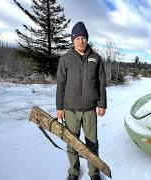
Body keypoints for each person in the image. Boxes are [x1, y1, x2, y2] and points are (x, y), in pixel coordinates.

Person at [56, 22, 106, 180]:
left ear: (87, 39)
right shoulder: (65, 59)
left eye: (83, 37)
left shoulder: (96, 58)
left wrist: (102, 104)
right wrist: (59, 107)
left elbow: (101, 83)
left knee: (92, 143)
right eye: (77, 38)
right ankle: (74, 171)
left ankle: (94, 172)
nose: (80, 41)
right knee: (72, 142)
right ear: (72, 40)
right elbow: (60, 84)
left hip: (90, 110)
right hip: (70, 110)